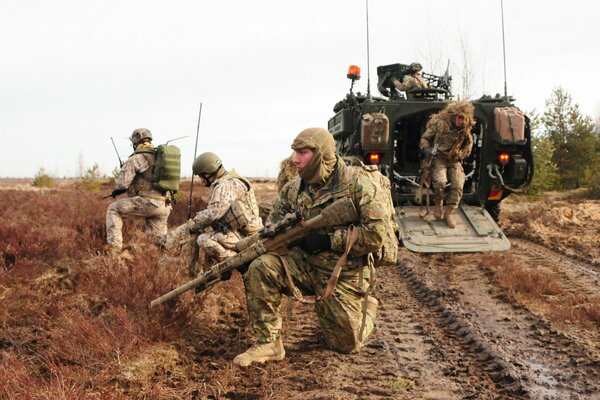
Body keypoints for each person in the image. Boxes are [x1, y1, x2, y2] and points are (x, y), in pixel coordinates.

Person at [233, 127, 387, 367]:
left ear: (321, 153)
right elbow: (274, 228)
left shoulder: (358, 183)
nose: (295, 159)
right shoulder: (293, 188)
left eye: (303, 152)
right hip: (304, 264)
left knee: (346, 345)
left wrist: (327, 241)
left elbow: (376, 235)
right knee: (261, 267)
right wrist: (254, 255)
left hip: (343, 271)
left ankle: (366, 309)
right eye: (294, 152)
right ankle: (269, 343)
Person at [171, 152, 263, 272]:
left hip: (247, 235)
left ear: (209, 172)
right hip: (247, 232)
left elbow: (213, 214)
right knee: (209, 231)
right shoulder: (231, 179)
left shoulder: (225, 185)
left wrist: (193, 224)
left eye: (201, 176)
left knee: (203, 239)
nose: (201, 181)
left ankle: (238, 262)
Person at [105, 128, 171, 253]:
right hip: (164, 205)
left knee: (113, 209)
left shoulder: (136, 158)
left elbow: (122, 184)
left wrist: (117, 190)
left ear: (136, 142)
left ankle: (114, 249)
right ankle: (160, 264)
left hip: (148, 203)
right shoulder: (160, 157)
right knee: (157, 243)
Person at [419, 101, 475, 228]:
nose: (460, 121)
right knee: (440, 182)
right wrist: (426, 150)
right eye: (458, 117)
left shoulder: (465, 129)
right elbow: (425, 138)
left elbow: (469, 144)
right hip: (439, 158)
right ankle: (438, 203)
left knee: (458, 184)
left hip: (454, 160)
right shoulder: (440, 124)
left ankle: (449, 212)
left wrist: (463, 154)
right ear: (453, 115)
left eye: (463, 118)